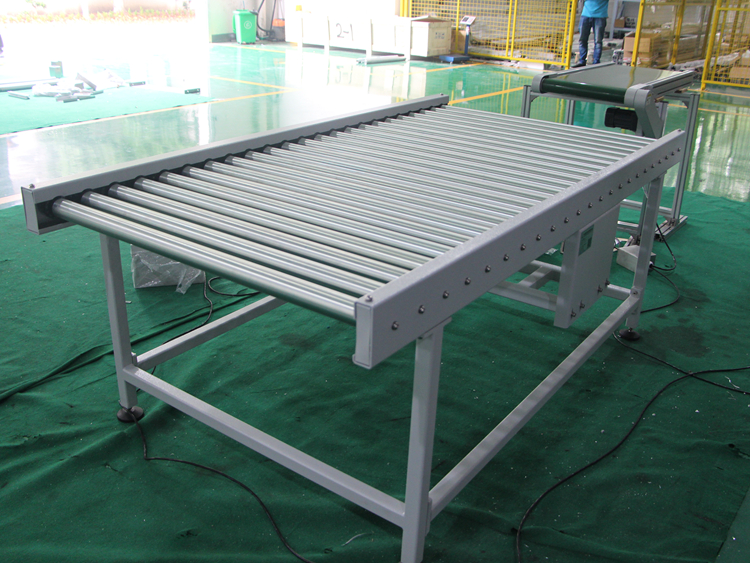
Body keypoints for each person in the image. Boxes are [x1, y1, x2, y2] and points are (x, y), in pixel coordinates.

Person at [573, 0, 609, 67]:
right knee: (582, 39)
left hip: (600, 16)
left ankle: (596, 62)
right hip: (586, 14)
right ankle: (582, 61)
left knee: (598, 41)